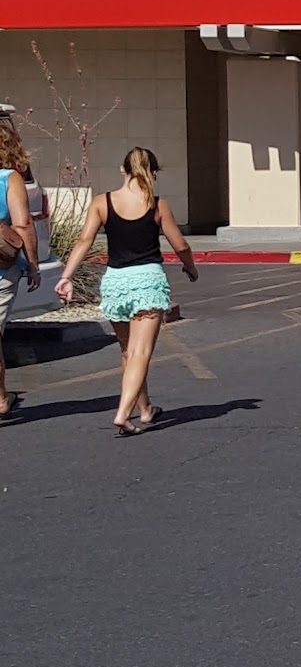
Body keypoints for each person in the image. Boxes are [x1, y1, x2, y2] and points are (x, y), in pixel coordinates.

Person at [55, 147, 198, 436]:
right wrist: (190, 267)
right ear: (153, 172)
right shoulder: (157, 205)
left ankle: (144, 409)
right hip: (147, 281)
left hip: (116, 282)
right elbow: (180, 245)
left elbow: (84, 241)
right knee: (140, 352)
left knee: (128, 351)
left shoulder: (102, 202)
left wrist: (66, 276)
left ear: (123, 169)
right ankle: (123, 413)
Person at [0, 115, 41, 421]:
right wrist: (33, 265)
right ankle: (1, 398)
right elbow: (23, 224)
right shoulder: (9, 178)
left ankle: (2, 396)